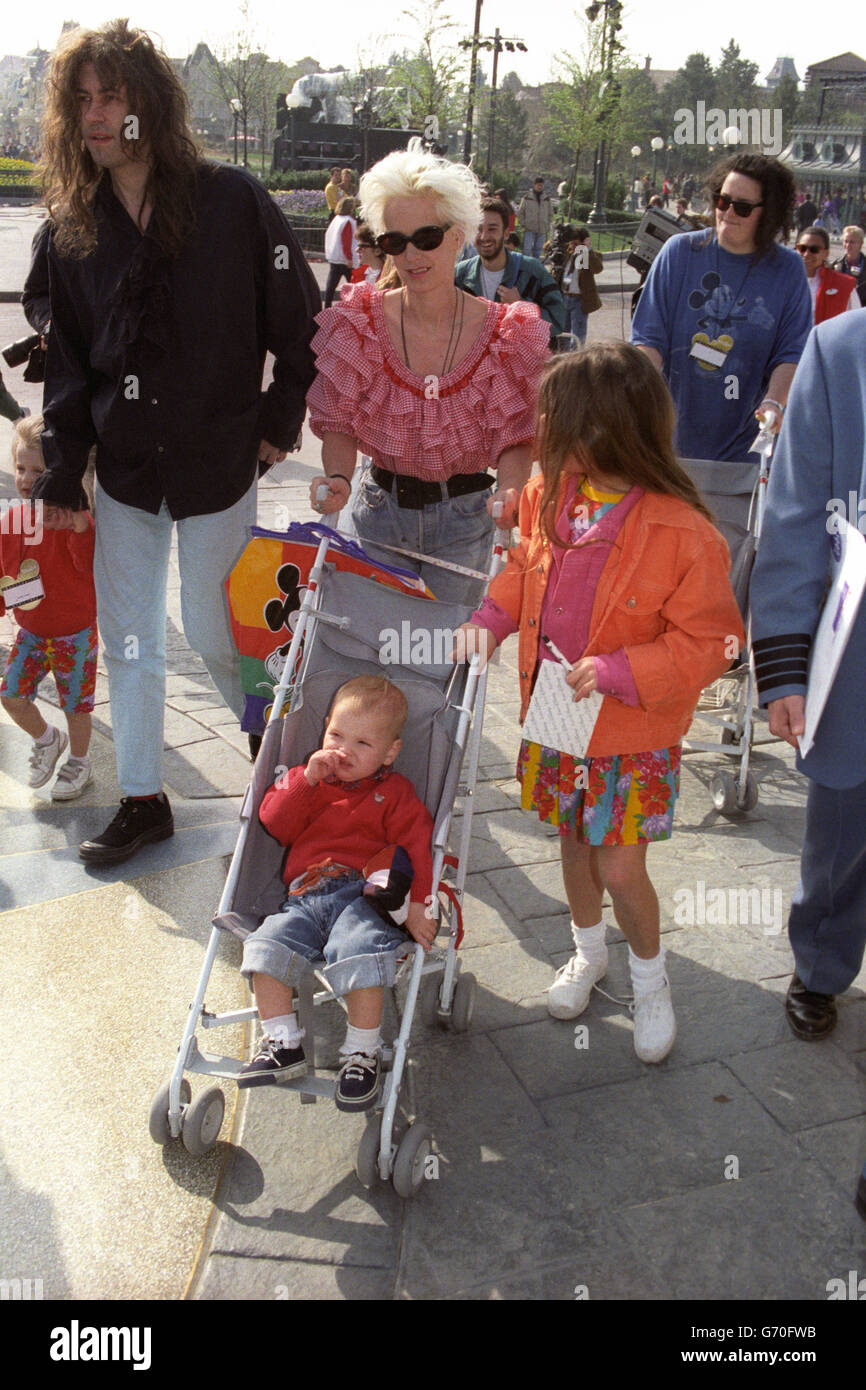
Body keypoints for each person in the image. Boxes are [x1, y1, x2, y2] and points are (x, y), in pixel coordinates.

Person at [30, 19, 319, 864]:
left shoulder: (231, 200)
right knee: (129, 640)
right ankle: (143, 795)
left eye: (110, 95)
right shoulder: (73, 225)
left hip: (216, 461)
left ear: (147, 102)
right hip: (123, 469)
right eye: (81, 99)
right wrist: (63, 471)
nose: (94, 113)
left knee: (216, 629)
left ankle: (284, 774)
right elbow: (68, 365)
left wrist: (275, 422)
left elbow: (302, 324)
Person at [453, 345, 744, 1062]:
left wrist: (620, 668)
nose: (541, 424)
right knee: (575, 843)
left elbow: (713, 642)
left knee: (620, 867)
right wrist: (489, 622)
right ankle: (589, 953)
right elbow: (523, 569)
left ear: (600, 429)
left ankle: (650, 978)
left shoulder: (685, 532)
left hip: (633, 727)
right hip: (557, 709)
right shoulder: (551, 492)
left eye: (554, 416)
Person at [305, 146, 550, 605]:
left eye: (427, 238)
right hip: (378, 517)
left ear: (460, 236)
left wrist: (512, 495)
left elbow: (517, 436)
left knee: (449, 664)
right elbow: (337, 420)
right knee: (374, 663)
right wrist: (337, 478)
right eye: (395, 242)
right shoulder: (359, 322)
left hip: (468, 523)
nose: (411, 255)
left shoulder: (507, 333)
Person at [238, 676, 435, 1110]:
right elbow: (274, 822)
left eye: (362, 743)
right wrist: (307, 779)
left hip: (365, 898)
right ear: (324, 728)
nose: (344, 750)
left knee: (360, 949)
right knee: (265, 945)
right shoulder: (308, 783)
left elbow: (418, 850)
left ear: (390, 752)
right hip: (306, 895)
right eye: (336, 735)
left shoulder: (395, 794)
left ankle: (362, 1052)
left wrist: (419, 905)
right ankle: (282, 1042)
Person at [750, 310, 866, 1042]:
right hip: (855, 651)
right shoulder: (841, 348)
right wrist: (786, 671)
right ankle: (821, 962)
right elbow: (793, 516)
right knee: (841, 832)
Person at [632, 153, 812, 463]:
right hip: (668, 446)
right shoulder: (679, 253)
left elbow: (792, 353)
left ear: (768, 213)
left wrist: (774, 403)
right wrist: (636, 400)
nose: (728, 213)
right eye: (722, 201)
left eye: (742, 207)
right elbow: (648, 339)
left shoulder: (789, 268)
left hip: (745, 451)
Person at [1, 416, 97, 799]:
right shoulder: (13, 519)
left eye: (37, 470)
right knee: (11, 696)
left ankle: (79, 760)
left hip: (75, 633)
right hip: (32, 632)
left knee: (76, 705)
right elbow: (5, 574)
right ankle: (47, 740)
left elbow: (88, 564)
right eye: (20, 468)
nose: (26, 479)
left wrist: (76, 526)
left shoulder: (75, 520)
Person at [454, 196, 566, 344]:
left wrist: (520, 307)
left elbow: (558, 322)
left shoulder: (532, 271)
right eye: (478, 229)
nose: (484, 236)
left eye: (492, 229)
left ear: (506, 233)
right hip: (474, 363)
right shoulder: (460, 274)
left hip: (519, 364)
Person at [795, 225, 860, 323]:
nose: (806, 254)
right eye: (802, 248)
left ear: (826, 253)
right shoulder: (783, 281)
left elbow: (857, 323)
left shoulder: (844, 285)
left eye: (814, 249)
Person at [561, 226, 603, 347]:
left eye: (576, 244)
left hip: (579, 300)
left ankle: (576, 358)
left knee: (578, 336)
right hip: (564, 297)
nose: (573, 247)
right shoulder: (567, 252)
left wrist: (588, 249)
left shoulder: (589, 256)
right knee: (563, 334)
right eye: (571, 243)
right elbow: (547, 247)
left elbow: (597, 268)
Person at [323, 195, 357, 306]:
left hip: (334, 256)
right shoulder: (348, 221)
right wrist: (349, 257)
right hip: (344, 258)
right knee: (354, 284)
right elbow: (346, 240)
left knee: (331, 284)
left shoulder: (337, 219)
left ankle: (327, 305)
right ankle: (355, 305)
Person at [517, 176, 553, 259]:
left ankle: (535, 267)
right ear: (534, 185)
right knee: (527, 249)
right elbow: (520, 212)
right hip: (529, 228)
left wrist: (548, 224)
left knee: (538, 250)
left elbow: (550, 213)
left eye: (541, 185)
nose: (540, 187)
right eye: (538, 185)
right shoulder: (527, 197)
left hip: (542, 228)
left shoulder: (547, 198)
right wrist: (523, 224)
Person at [832, 225, 866, 307]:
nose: (848, 245)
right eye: (846, 241)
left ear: (861, 243)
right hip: (840, 312)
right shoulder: (834, 265)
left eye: (852, 242)